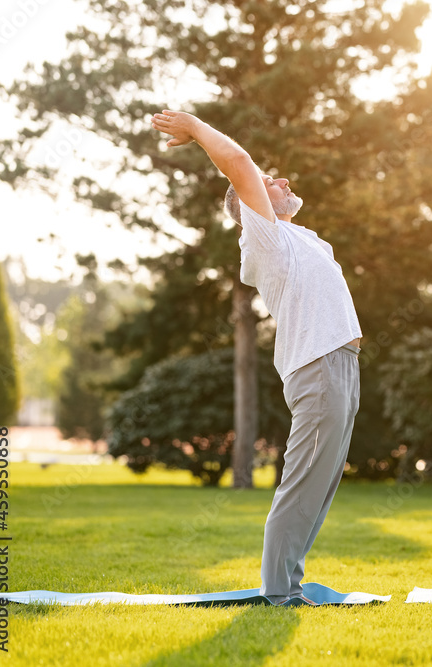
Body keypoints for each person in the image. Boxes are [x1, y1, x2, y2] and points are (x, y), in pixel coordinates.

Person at [151, 110, 362, 607]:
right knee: (302, 483)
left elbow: (250, 174)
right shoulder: (263, 238)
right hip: (318, 366)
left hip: (342, 367)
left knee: (320, 486)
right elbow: (238, 164)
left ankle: (287, 585)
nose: (281, 180)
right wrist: (197, 128)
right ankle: (280, 594)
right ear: (250, 205)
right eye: (270, 182)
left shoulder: (302, 237)